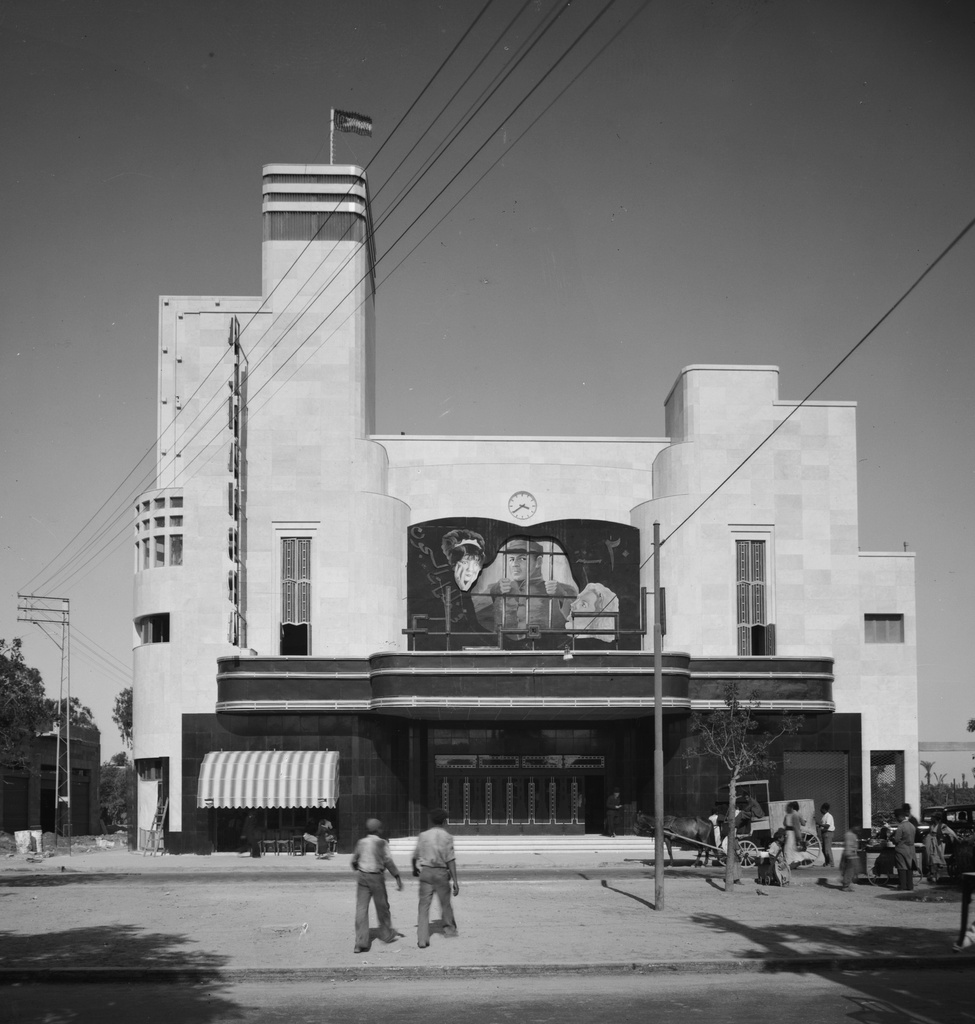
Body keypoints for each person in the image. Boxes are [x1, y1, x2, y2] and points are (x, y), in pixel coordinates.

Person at [480, 538, 578, 632]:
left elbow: (579, 623)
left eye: (522, 558)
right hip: (504, 646)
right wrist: (494, 592)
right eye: (511, 559)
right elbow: (474, 616)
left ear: (538, 562)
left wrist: (562, 596)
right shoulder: (496, 589)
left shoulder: (565, 590)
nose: (514, 564)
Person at [351, 818, 403, 953]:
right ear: (378, 829)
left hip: (362, 877)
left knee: (361, 909)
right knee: (382, 907)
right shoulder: (382, 843)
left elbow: (354, 861)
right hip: (376, 877)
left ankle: (360, 943)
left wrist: (358, 866)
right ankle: (386, 934)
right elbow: (388, 862)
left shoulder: (361, 842)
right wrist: (397, 876)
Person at [412, 808, 460, 948]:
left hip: (426, 871)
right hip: (441, 873)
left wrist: (414, 868)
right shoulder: (447, 837)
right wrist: (455, 881)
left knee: (423, 906)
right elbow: (450, 860)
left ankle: (422, 939)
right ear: (444, 821)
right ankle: (450, 930)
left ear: (431, 820)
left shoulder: (423, 835)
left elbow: (415, 856)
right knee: (445, 903)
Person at [924, 810, 958, 884]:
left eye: (932, 817)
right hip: (931, 844)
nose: (931, 818)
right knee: (930, 858)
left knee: (936, 858)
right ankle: (932, 874)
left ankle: (935, 875)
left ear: (936, 818)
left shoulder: (942, 826)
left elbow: (951, 833)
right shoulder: (932, 826)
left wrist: (956, 839)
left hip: (938, 844)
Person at [891, 807, 917, 891]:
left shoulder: (901, 827)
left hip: (901, 849)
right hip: (911, 849)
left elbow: (896, 839)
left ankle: (902, 885)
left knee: (902, 867)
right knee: (909, 867)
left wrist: (892, 839)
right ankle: (910, 885)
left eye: (896, 818)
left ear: (899, 817)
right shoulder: (912, 826)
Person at [783, 801, 804, 868]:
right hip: (794, 832)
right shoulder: (798, 814)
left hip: (788, 832)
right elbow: (803, 823)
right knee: (793, 846)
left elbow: (784, 823)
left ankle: (789, 862)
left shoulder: (787, 815)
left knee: (788, 847)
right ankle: (796, 860)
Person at [839, 826, 860, 891]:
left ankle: (845, 882)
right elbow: (848, 845)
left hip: (847, 854)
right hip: (850, 855)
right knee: (850, 871)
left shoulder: (848, 834)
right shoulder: (850, 835)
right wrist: (850, 854)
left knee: (847, 870)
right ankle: (845, 885)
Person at [819, 803, 835, 867]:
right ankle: (827, 862)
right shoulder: (824, 816)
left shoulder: (829, 816)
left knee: (827, 849)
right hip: (824, 833)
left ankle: (831, 863)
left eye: (821, 809)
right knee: (824, 849)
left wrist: (819, 824)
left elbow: (827, 825)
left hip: (828, 833)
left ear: (824, 809)